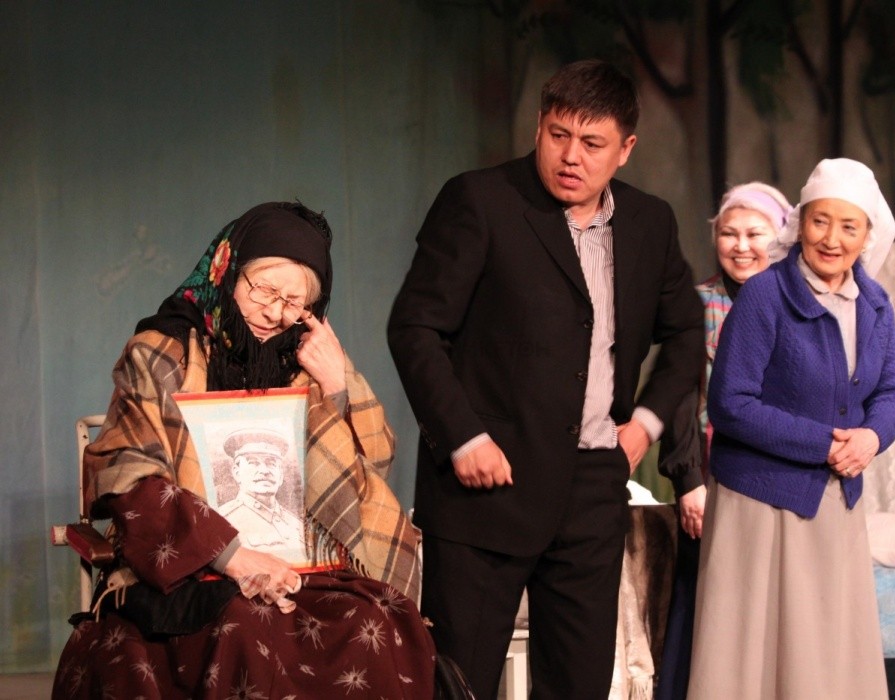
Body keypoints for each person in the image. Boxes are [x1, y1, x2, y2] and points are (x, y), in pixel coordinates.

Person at [387, 59, 704, 699]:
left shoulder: (649, 222)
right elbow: (415, 327)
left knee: (578, 686)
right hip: (487, 487)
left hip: (592, 489)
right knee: (459, 683)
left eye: (592, 143)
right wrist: (463, 437)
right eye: (558, 135)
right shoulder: (480, 200)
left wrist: (644, 425)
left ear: (625, 149)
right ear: (538, 127)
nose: (571, 156)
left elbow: (687, 333)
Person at [52, 202, 435, 699]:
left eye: (295, 302)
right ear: (227, 272)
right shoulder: (161, 353)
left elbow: (373, 466)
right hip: (190, 566)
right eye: (265, 291)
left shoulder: (306, 359)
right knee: (245, 625)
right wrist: (231, 556)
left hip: (302, 567)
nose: (276, 314)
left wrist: (338, 384)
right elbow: (130, 474)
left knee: (376, 620)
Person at [687, 159, 895, 699]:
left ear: (867, 236)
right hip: (759, 502)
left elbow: (893, 392)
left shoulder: (875, 305)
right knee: (751, 658)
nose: (831, 239)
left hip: (834, 500)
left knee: (825, 653)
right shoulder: (767, 295)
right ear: (800, 223)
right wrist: (823, 444)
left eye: (848, 226)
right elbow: (730, 402)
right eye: (820, 221)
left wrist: (871, 437)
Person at [656, 182, 791, 699]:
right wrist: (690, 481)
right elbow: (678, 399)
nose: (741, 246)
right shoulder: (700, 305)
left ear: (781, 236)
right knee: (707, 609)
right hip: (716, 483)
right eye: (729, 234)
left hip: (783, 484)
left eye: (755, 233)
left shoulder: (800, 308)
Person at [217, 427, 306, 554]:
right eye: (253, 463)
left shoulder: (297, 524)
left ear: (281, 475)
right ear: (237, 473)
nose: (264, 471)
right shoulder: (221, 522)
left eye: (271, 464)